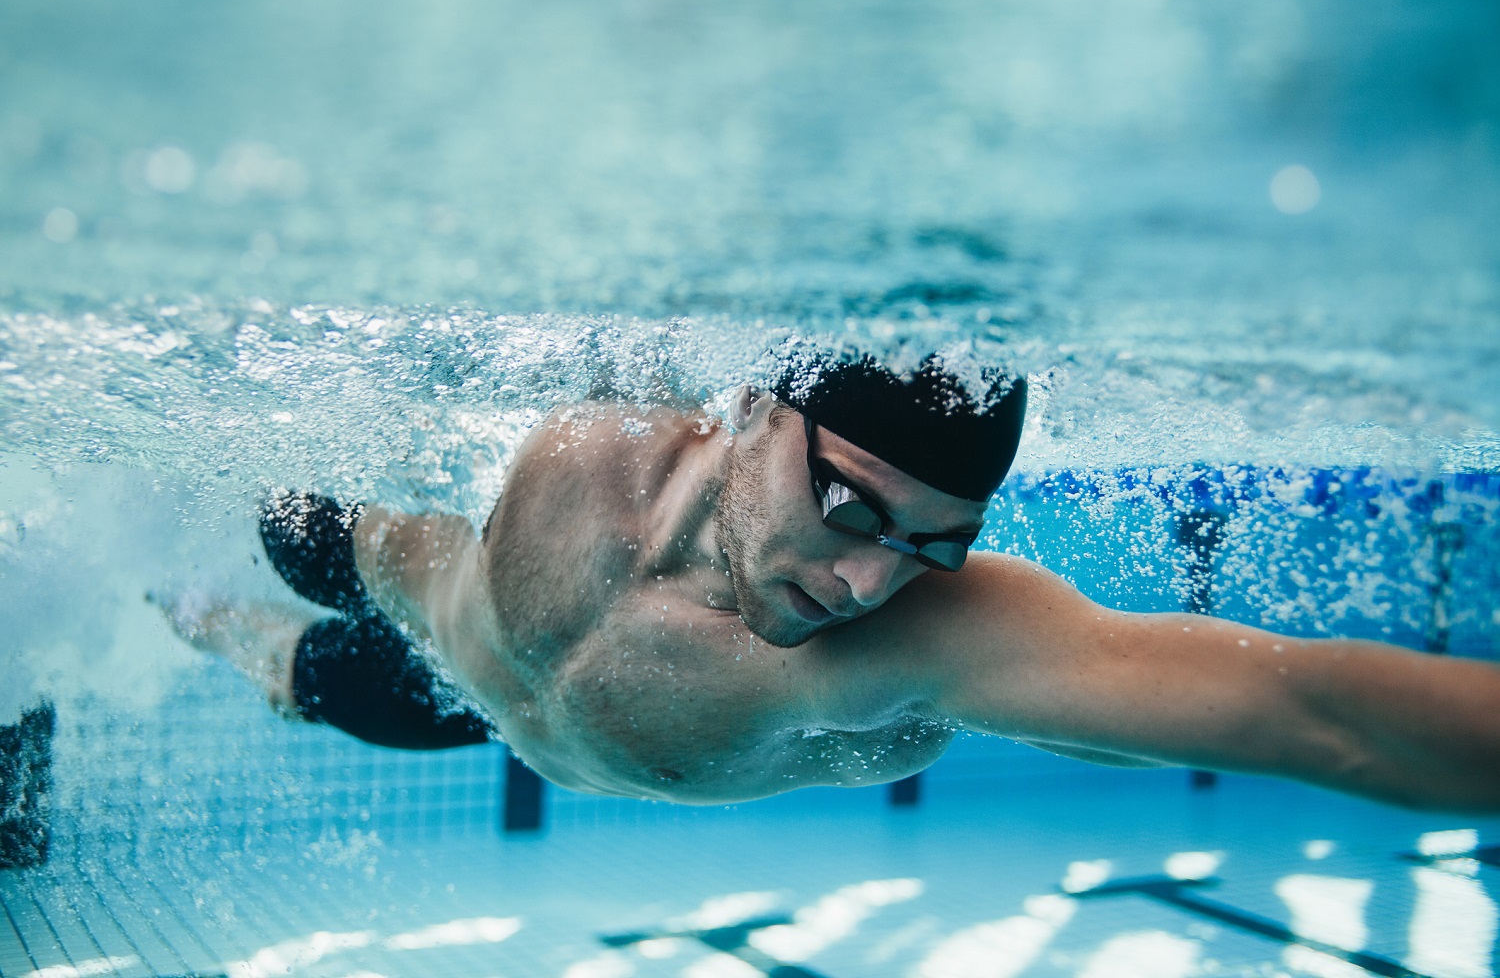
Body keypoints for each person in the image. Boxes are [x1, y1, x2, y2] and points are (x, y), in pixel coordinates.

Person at [167, 349, 1500, 812]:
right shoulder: (600, 424)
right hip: (400, 576)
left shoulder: (919, 648)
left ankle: (211, 629)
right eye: (854, 505)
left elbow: (1310, 713)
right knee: (238, 509)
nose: (871, 581)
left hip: (449, 703)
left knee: (273, 662)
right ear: (749, 409)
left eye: (932, 543)